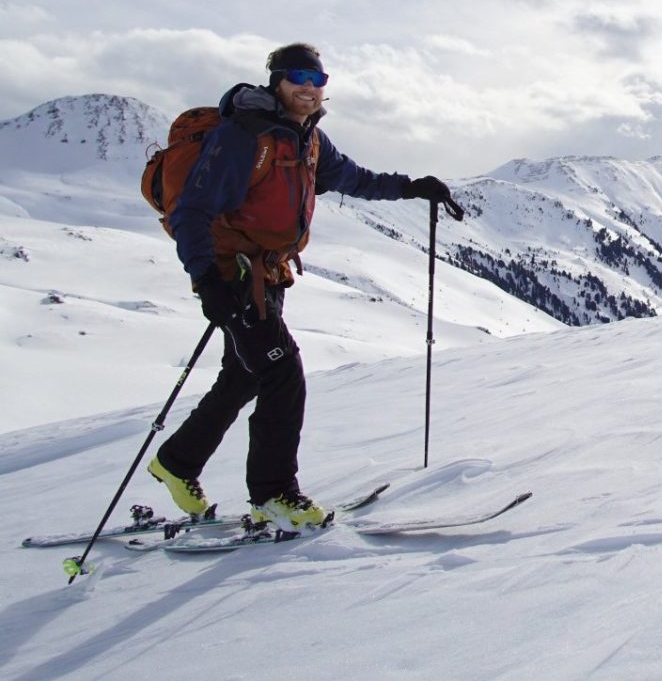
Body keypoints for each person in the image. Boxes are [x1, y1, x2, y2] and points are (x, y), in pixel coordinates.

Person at [147, 42, 455, 531]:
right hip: (234, 276)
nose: (309, 90)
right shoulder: (244, 136)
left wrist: (414, 186)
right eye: (298, 79)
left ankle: (177, 463)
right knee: (282, 372)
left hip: (266, 274)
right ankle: (273, 495)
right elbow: (191, 211)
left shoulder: (309, 139)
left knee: (247, 373)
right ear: (277, 81)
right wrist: (207, 280)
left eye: (317, 81)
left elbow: (355, 178)